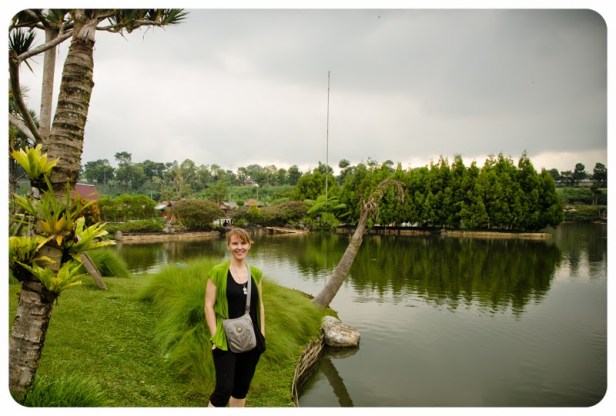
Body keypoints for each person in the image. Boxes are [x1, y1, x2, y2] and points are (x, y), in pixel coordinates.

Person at [204, 228, 266, 407]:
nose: (240, 247)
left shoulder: (255, 273)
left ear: (249, 245)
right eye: (235, 243)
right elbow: (208, 306)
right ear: (228, 246)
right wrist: (215, 337)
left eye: (243, 243)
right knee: (223, 389)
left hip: (252, 337)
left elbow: (260, 304)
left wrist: (262, 333)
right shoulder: (217, 272)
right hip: (225, 339)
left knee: (241, 388)